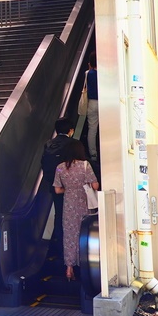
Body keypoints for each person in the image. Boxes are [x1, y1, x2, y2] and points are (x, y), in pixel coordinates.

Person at [52, 139, 99, 281]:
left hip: (68, 204)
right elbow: (95, 186)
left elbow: (57, 190)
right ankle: (85, 264)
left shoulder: (60, 167)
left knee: (69, 235)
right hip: (84, 203)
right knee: (84, 232)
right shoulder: (85, 165)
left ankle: (69, 267)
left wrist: (69, 189)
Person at [40, 118, 75, 256]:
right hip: (71, 187)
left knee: (59, 214)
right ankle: (72, 246)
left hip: (55, 186)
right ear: (71, 131)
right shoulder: (73, 144)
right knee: (72, 215)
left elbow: (43, 163)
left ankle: (59, 245)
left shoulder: (49, 144)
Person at [84, 56, 99, 163]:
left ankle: (93, 155)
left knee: (92, 129)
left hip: (92, 103)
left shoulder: (88, 73)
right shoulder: (105, 73)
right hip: (105, 102)